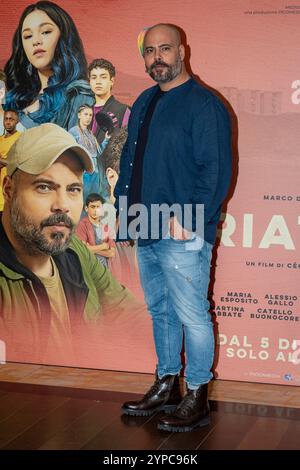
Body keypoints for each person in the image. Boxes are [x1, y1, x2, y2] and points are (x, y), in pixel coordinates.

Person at [115, 24, 232, 432]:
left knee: (192, 315)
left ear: (183, 51)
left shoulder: (204, 104)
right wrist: (126, 216)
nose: (157, 57)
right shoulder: (146, 99)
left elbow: (215, 170)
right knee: (161, 311)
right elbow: (133, 164)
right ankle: (167, 384)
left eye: (165, 49)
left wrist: (190, 218)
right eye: (149, 51)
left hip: (182, 229)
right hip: (144, 224)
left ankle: (197, 393)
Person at [0, 123, 138, 364]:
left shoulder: (74, 251)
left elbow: (127, 312)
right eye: (44, 187)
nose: (62, 205)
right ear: (8, 190)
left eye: (73, 189)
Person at [4, 1, 93, 130]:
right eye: (28, 36)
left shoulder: (78, 95)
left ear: (63, 36)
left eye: (45, 32)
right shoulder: (13, 97)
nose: (36, 41)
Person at [69, 104, 109, 202]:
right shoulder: (73, 132)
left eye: (90, 115)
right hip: (84, 172)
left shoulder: (90, 133)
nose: (88, 118)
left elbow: (98, 153)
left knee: (93, 200)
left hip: (95, 172)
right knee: (82, 199)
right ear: (79, 115)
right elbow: (70, 152)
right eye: (85, 114)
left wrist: (106, 139)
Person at [88, 58, 131, 145]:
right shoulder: (84, 111)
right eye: (94, 77)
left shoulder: (123, 110)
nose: (98, 82)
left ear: (112, 81)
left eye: (103, 77)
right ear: (89, 81)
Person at [76, 193, 115, 268]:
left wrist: (92, 249)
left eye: (98, 207)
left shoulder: (107, 227)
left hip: (105, 269)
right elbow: (83, 250)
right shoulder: (82, 225)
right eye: (92, 207)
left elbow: (112, 253)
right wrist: (103, 246)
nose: (95, 210)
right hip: (88, 268)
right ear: (86, 208)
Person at [0, 110, 23, 211]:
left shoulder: (20, 138)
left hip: (11, 186)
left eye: (11, 119)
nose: (8, 122)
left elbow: (19, 162)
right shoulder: (0, 139)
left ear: (17, 121)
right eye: (6, 119)